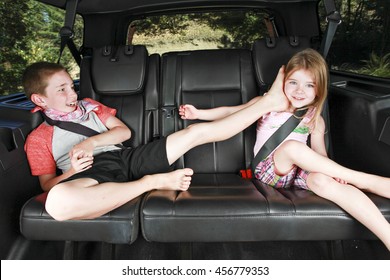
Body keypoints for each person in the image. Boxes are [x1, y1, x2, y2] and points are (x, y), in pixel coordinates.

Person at [22, 61, 288, 221]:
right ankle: (150, 183)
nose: (72, 93)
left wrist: (91, 143)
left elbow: (123, 133)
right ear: (39, 99)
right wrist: (72, 171)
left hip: (126, 157)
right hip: (91, 174)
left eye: (71, 85)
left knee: (194, 133)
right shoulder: (38, 138)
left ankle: (269, 102)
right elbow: (46, 185)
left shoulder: (90, 106)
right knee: (56, 202)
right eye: (62, 89)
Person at [179, 48, 390, 250]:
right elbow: (231, 112)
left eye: (310, 85)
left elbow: (319, 155)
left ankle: (386, 235)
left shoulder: (314, 117)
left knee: (322, 180)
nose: (300, 90)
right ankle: (361, 179)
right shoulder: (267, 104)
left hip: (298, 172)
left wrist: (333, 175)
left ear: (320, 89)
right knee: (292, 147)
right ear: (282, 82)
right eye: (293, 82)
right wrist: (199, 114)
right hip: (269, 170)